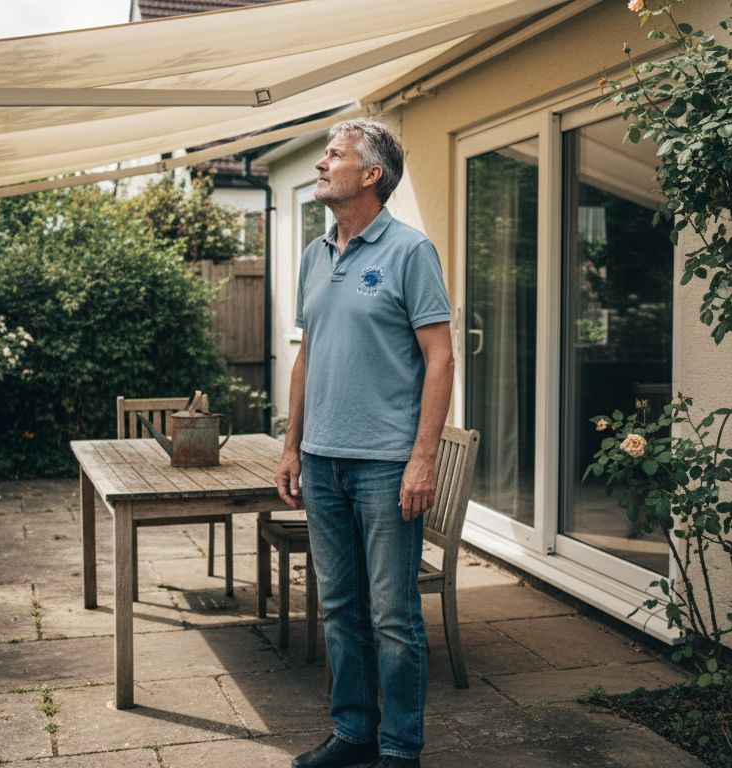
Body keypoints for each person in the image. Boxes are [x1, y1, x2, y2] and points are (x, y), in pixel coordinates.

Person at [275, 117, 453, 768]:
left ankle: (401, 750)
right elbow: (308, 355)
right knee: (339, 607)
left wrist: (422, 458)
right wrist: (292, 446)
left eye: (334, 155)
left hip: (385, 465)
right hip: (322, 461)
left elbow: (440, 358)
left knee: (393, 616)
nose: (321, 164)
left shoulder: (410, 251)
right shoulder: (314, 255)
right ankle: (353, 733)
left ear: (372, 174)